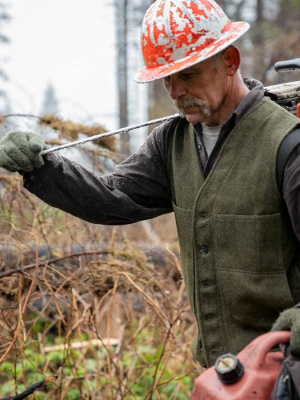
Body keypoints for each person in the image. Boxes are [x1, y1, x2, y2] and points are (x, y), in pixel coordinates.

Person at [0, 0, 300, 368]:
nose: (174, 91)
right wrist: (41, 167)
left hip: (288, 369)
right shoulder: (171, 142)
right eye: (167, 79)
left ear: (230, 61)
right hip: (219, 372)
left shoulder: (287, 145)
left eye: (187, 75)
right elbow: (113, 198)